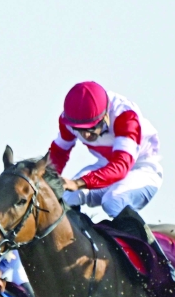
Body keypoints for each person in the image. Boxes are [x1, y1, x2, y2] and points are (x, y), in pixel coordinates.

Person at [48, 81, 162, 218]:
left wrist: (78, 183)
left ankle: (147, 240)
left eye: (91, 128)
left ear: (106, 115)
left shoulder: (125, 116)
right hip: (105, 165)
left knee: (112, 201)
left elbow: (121, 166)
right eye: (79, 130)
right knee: (66, 197)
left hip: (141, 169)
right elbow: (58, 153)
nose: (86, 135)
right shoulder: (69, 120)